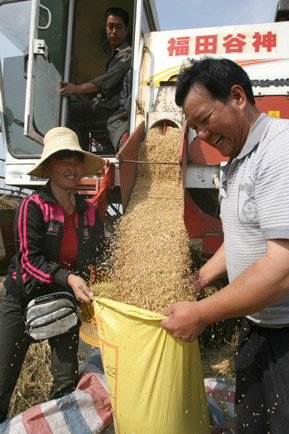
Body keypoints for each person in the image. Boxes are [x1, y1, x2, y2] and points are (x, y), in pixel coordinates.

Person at [160, 57, 289, 433]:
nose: (202, 136)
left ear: (237, 96)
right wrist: (199, 278)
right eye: (195, 128)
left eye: (206, 120)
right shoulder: (237, 161)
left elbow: (287, 265)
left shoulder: (283, 150)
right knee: (253, 423)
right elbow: (242, 237)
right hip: (257, 325)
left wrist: (202, 313)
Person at [0, 127, 107, 422]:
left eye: (76, 161)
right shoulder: (32, 208)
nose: (72, 168)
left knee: (65, 384)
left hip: (62, 302)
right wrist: (69, 278)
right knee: (2, 383)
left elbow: (102, 255)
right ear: (49, 166)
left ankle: (60, 426)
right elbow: (29, 262)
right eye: (64, 161)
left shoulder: (89, 213)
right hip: (21, 302)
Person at [59, 7, 132, 151]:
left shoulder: (128, 54)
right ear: (105, 27)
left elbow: (106, 81)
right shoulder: (114, 55)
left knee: (68, 111)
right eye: (110, 26)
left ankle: (77, 155)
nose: (114, 31)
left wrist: (78, 88)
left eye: (118, 27)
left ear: (126, 30)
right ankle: (81, 153)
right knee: (74, 110)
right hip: (107, 105)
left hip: (113, 108)